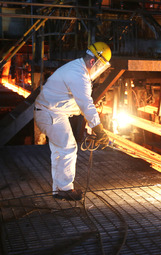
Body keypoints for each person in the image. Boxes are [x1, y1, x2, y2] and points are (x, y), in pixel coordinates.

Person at [34, 42, 111, 201]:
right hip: (50, 114)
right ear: (93, 62)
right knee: (68, 148)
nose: (99, 70)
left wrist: (91, 125)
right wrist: (98, 129)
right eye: (100, 66)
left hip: (51, 113)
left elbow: (81, 104)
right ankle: (65, 189)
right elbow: (85, 103)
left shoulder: (77, 69)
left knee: (60, 151)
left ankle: (59, 189)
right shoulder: (78, 74)